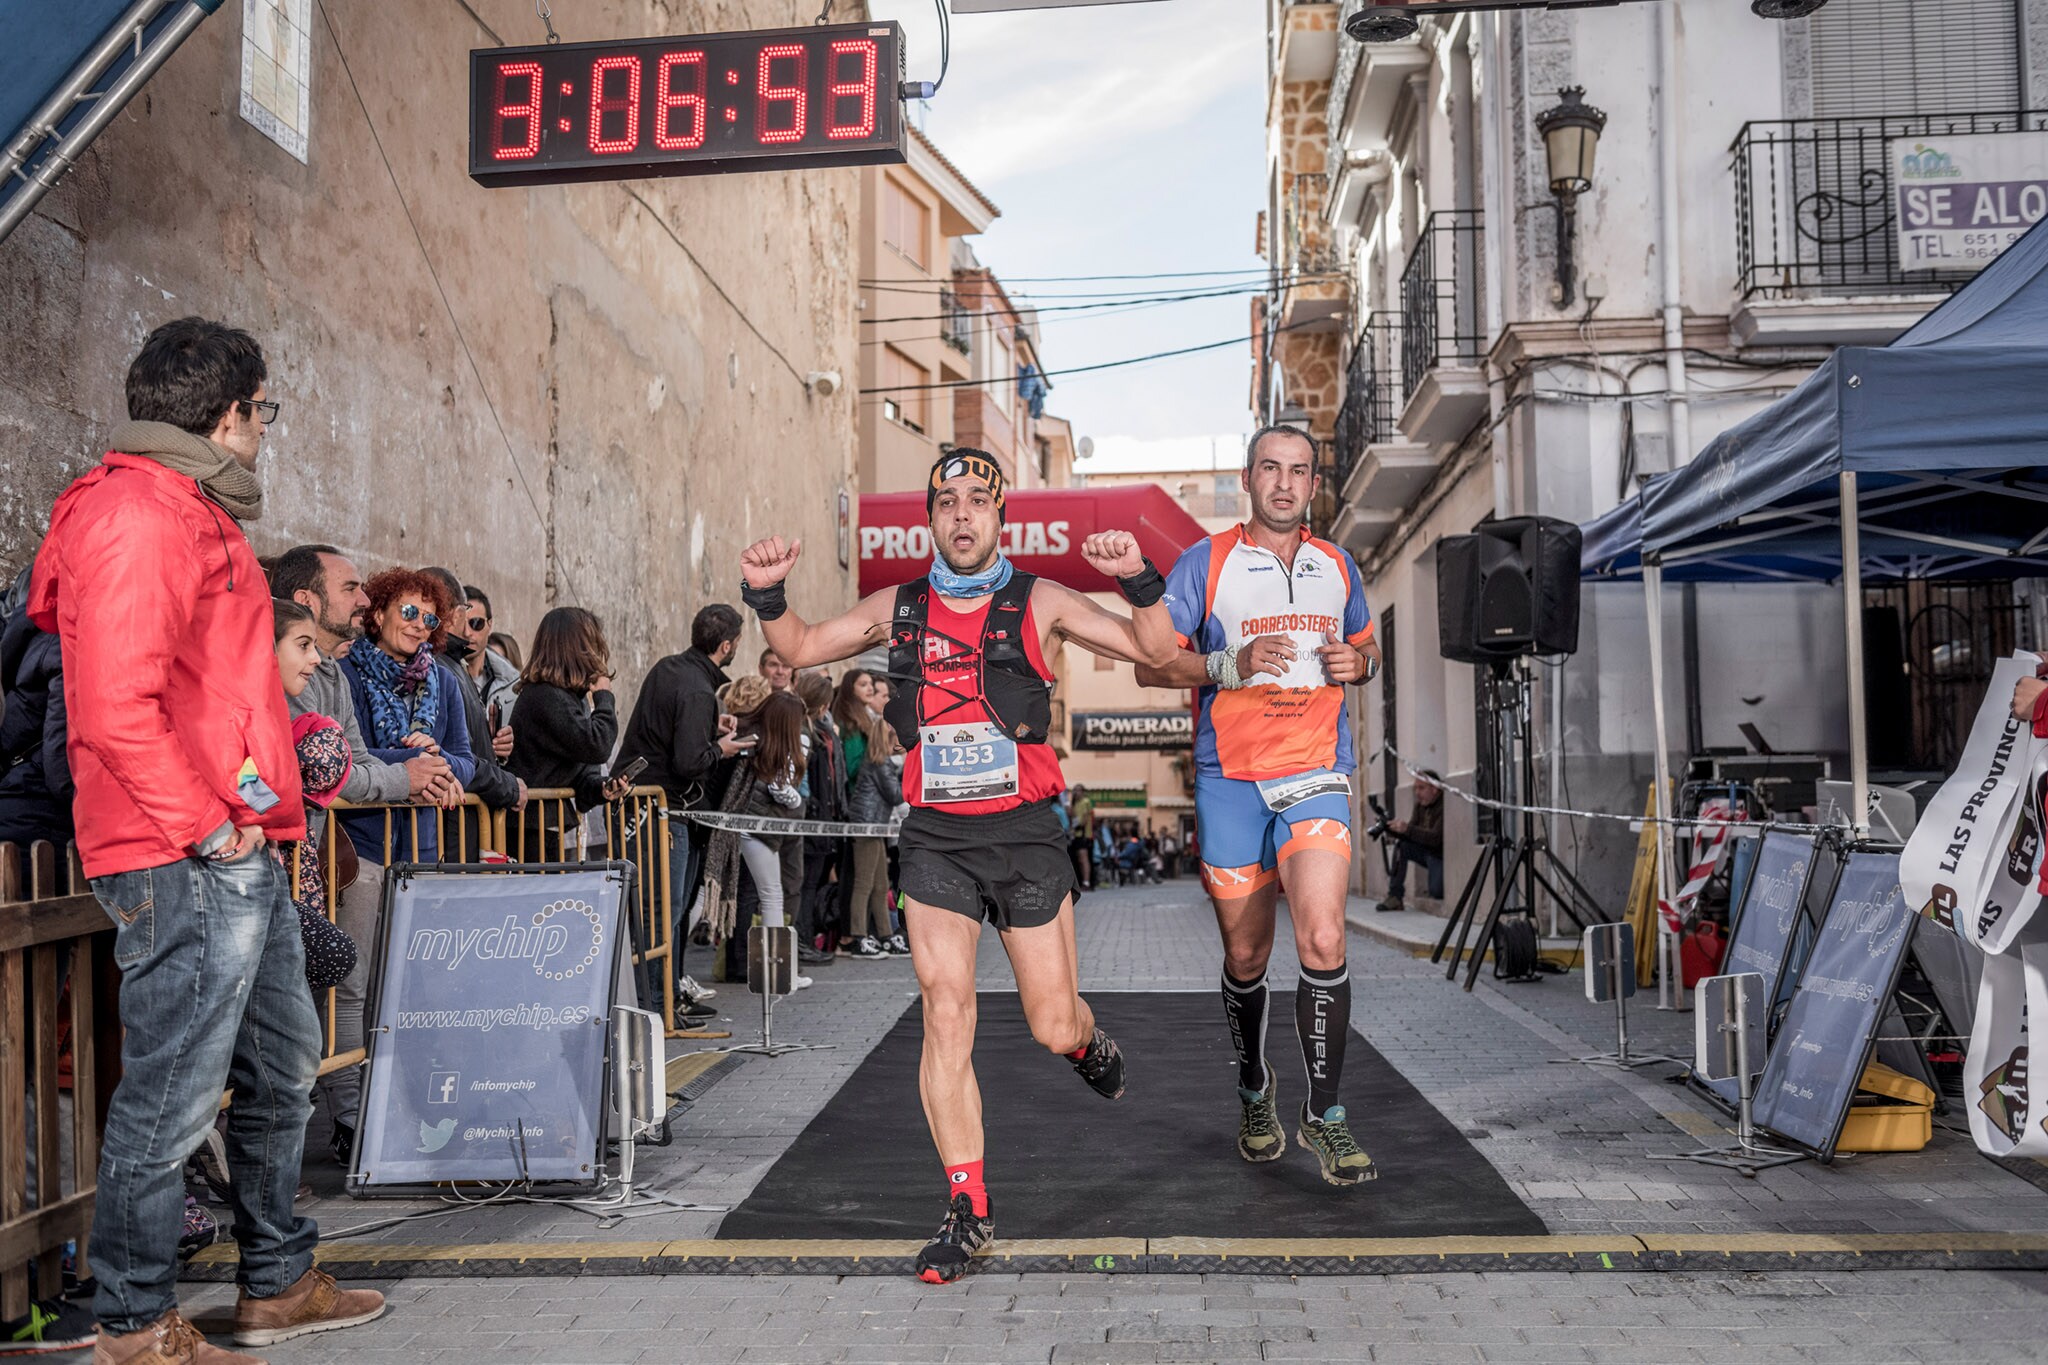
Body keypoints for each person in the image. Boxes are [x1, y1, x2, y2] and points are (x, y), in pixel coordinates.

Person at [28, 316, 384, 1359]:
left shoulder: (176, 506)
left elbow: (192, 694)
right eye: (262, 409)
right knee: (175, 1092)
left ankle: (275, 1280)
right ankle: (135, 1322)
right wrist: (210, 827)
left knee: (281, 1065)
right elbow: (112, 706)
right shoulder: (141, 514)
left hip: (227, 845)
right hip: (183, 851)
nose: (264, 428)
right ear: (228, 415)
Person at [739, 447, 1177, 1283]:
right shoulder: (897, 606)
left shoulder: (1039, 599)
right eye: (948, 502)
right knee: (946, 1009)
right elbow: (797, 643)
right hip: (935, 832)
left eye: (979, 499)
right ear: (932, 518)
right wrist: (768, 594)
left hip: (1023, 834)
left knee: (1052, 1022)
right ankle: (967, 1206)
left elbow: (1150, 652)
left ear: (1001, 514)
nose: (963, 514)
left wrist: (1140, 581)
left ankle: (1087, 1044)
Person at [1135, 424, 1382, 1187]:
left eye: (1299, 471)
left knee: (1323, 934)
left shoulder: (1338, 564)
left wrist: (1360, 662)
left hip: (1315, 771)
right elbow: (1150, 664)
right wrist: (1224, 662)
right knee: (1247, 955)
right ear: (1248, 478)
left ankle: (1327, 1115)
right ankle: (1254, 1088)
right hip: (1230, 779)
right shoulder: (1202, 563)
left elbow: (1365, 650)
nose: (1284, 482)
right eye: (1270, 468)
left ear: (1314, 484)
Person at [332, 568, 475, 1165]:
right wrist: (407, 762)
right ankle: (349, 1115)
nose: (420, 625)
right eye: (408, 612)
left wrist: (442, 767)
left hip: (422, 856)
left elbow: (468, 759)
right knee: (352, 985)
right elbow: (347, 758)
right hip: (363, 850)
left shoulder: (441, 680)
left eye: (430, 618)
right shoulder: (347, 672)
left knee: (414, 986)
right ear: (379, 613)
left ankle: (402, 1104)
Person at [618, 602, 749, 1012]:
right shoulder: (695, 686)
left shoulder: (671, 668)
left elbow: (670, 732)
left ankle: (668, 998)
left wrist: (712, 725)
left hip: (663, 807)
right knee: (664, 908)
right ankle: (657, 1004)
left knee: (669, 909)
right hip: (664, 810)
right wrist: (721, 748)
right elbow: (688, 760)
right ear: (726, 645)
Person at [699, 688, 815, 988]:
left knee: (704, 893)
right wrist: (796, 802)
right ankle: (780, 973)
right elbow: (781, 791)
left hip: (736, 826)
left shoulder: (751, 736)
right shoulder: (777, 747)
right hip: (756, 831)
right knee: (771, 894)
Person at [272, 599, 358, 992]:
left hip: (284, 876)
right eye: (303, 645)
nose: (314, 660)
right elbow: (241, 780)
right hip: (247, 880)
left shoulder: (272, 717)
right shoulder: (240, 715)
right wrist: (260, 818)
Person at [506, 607, 633, 858]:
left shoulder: (569, 697)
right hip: (529, 828)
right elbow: (597, 745)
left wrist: (601, 789)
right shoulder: (544, 696)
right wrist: (604, 697)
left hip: (546, 824)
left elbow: (580, 769)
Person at [420, 566, 525, 828]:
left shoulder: (451, 663)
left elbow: (460, 746)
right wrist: (509, 786)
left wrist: (489, 745)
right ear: (457, 613)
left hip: (464, 824)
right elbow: (447, 756)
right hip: (450, 827)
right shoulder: (437, 667)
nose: (469, 630)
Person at [0, 561, 73, 848]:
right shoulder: (62, 643)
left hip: (13, 792)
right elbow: (60, 769)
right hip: (40, 813)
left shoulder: (12, 639)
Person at [795, 670, 845, 965]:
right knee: (806, 884)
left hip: (826, 817)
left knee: (812, 882)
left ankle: (806, 938)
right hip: (812, 817)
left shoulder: (823, 730)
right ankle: (801, 940)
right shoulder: (806, 732)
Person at [844, 722, 906, 958]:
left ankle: (885, 935)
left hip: (875, 827)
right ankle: (858, 936)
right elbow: (896, 795)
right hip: (866, 827)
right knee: (864, 883)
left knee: (881, 884)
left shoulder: (881, 763)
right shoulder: (878, 764)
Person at [1378, 771, 1445, 912]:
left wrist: (1407, 829)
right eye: (1416, 788)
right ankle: (1395, 896)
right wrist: (1390, 828)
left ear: (1435, 789)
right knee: (1402, 846)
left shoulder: (1444, 805)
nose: (1417, 793)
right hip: (1426, 852)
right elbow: (1411, 834)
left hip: (1439, 855)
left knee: (1437, 892)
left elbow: (1436, 838)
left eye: (1421, 788)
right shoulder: (1420, 805)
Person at [458, 585, 521, 721]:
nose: (467, 633)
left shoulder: (513, 683)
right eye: (460, 624)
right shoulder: (441, 675)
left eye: (476, 623)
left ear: (490, 624)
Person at [1066, 784, 1096, 891]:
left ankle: (1087, 882)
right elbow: (1072, 816)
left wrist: (1078, 826)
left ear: (1083, 791)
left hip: (1084, 834)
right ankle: (1083, 880)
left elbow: (1084, 818)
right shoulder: (1074, 803)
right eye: (1075, 790)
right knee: (1079, 859)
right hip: (1076, 834)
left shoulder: (1086, 802)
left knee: (1084, 859)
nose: (1076, 793)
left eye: (1078, 790)